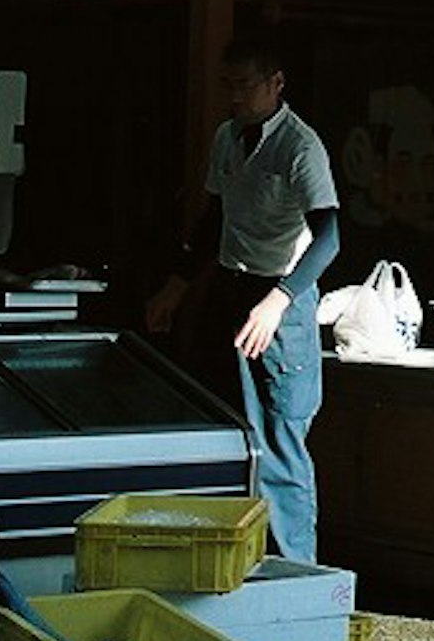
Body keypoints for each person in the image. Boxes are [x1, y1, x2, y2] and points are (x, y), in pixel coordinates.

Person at [144, 39, 340, 565]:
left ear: (276, 83)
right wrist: (177, 285)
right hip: (234, 288)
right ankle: (241, 564)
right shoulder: (227, 137)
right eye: (227, 86)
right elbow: (214, 220)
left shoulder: (301, 147)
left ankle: (297, 575)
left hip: (284, 299)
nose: (234, 97)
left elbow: (330, 238)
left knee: (280, 441)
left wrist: (279, 299)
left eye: (245, 86)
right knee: (233, 433)